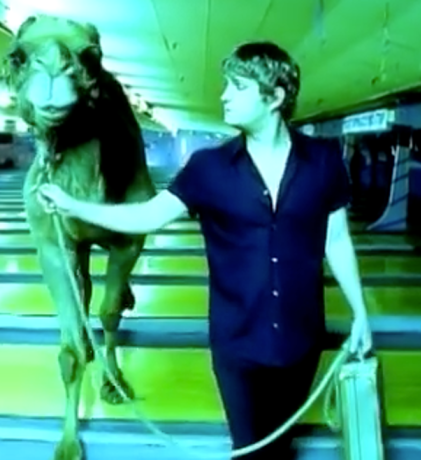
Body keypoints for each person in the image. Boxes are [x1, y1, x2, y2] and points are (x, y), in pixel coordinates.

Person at [38, 41, 373, 459]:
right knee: (250, 449)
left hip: (302, 341)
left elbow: (336, 239)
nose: (224, 95)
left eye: (238, 87)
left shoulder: (323, 161)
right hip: (238, 345)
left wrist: (360, 312)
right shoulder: (209, 168)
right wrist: (73, 206)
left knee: (280, 445)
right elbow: (148, 215)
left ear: (275, 97)